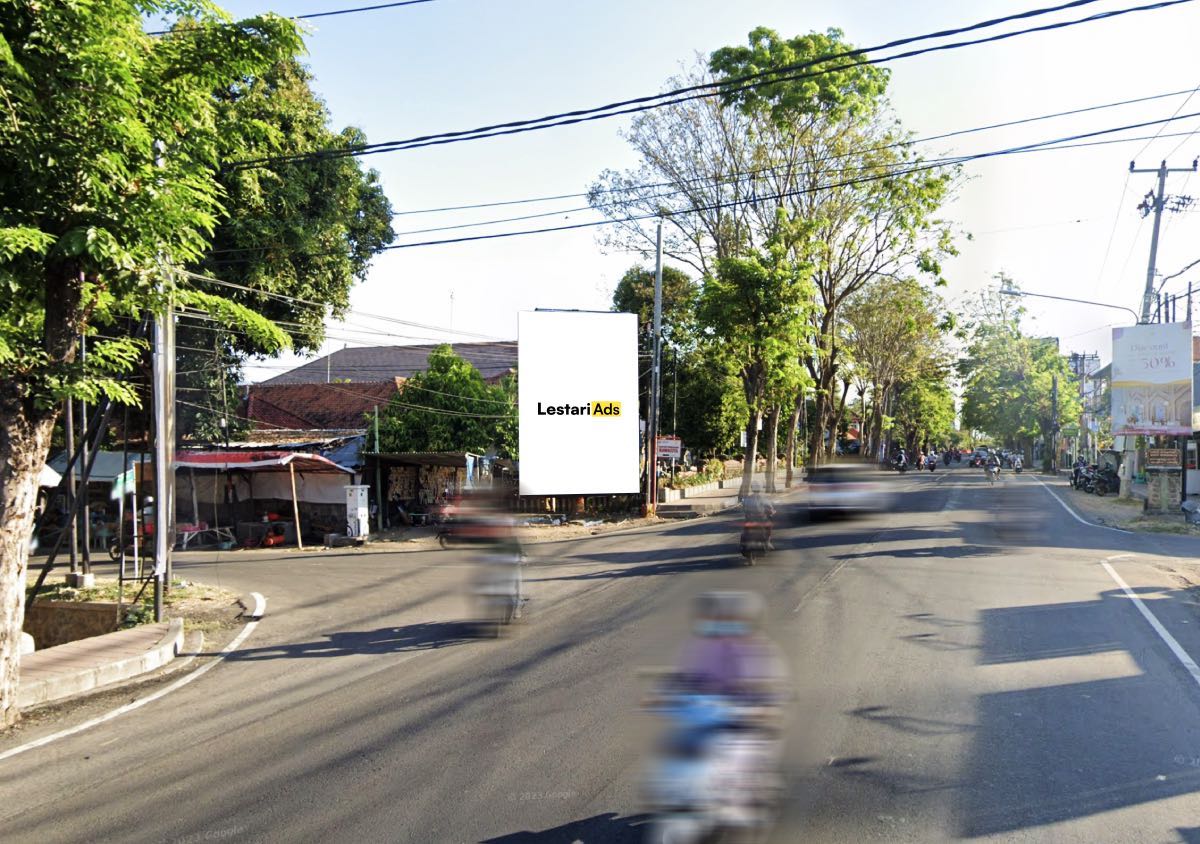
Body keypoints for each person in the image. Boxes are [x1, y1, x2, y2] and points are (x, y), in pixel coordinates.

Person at [743, 483, 776, 550]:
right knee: (769, 525)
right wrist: (772, 511)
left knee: (745, 530)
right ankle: (767, 542)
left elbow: (744, 507)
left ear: (752, 489)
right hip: (761, 520)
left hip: (749, 520)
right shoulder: (763, 498)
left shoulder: (747, 499)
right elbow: (770, 508)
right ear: (759, 490)